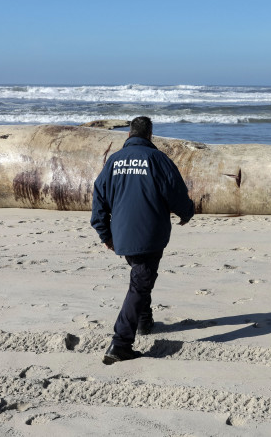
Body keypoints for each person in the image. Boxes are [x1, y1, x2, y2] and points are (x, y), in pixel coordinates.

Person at [91, 116, 195, 364]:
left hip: (123, 235)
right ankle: (120, 343)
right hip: (150, 235)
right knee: (140, 283)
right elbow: (176, 192)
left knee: (142, 276)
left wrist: (105, 234)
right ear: (149, 136)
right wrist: (186, 213)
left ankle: (144, 321)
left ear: (128, 135)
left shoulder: (113, 161)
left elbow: (98, 201)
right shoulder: (158, 159)